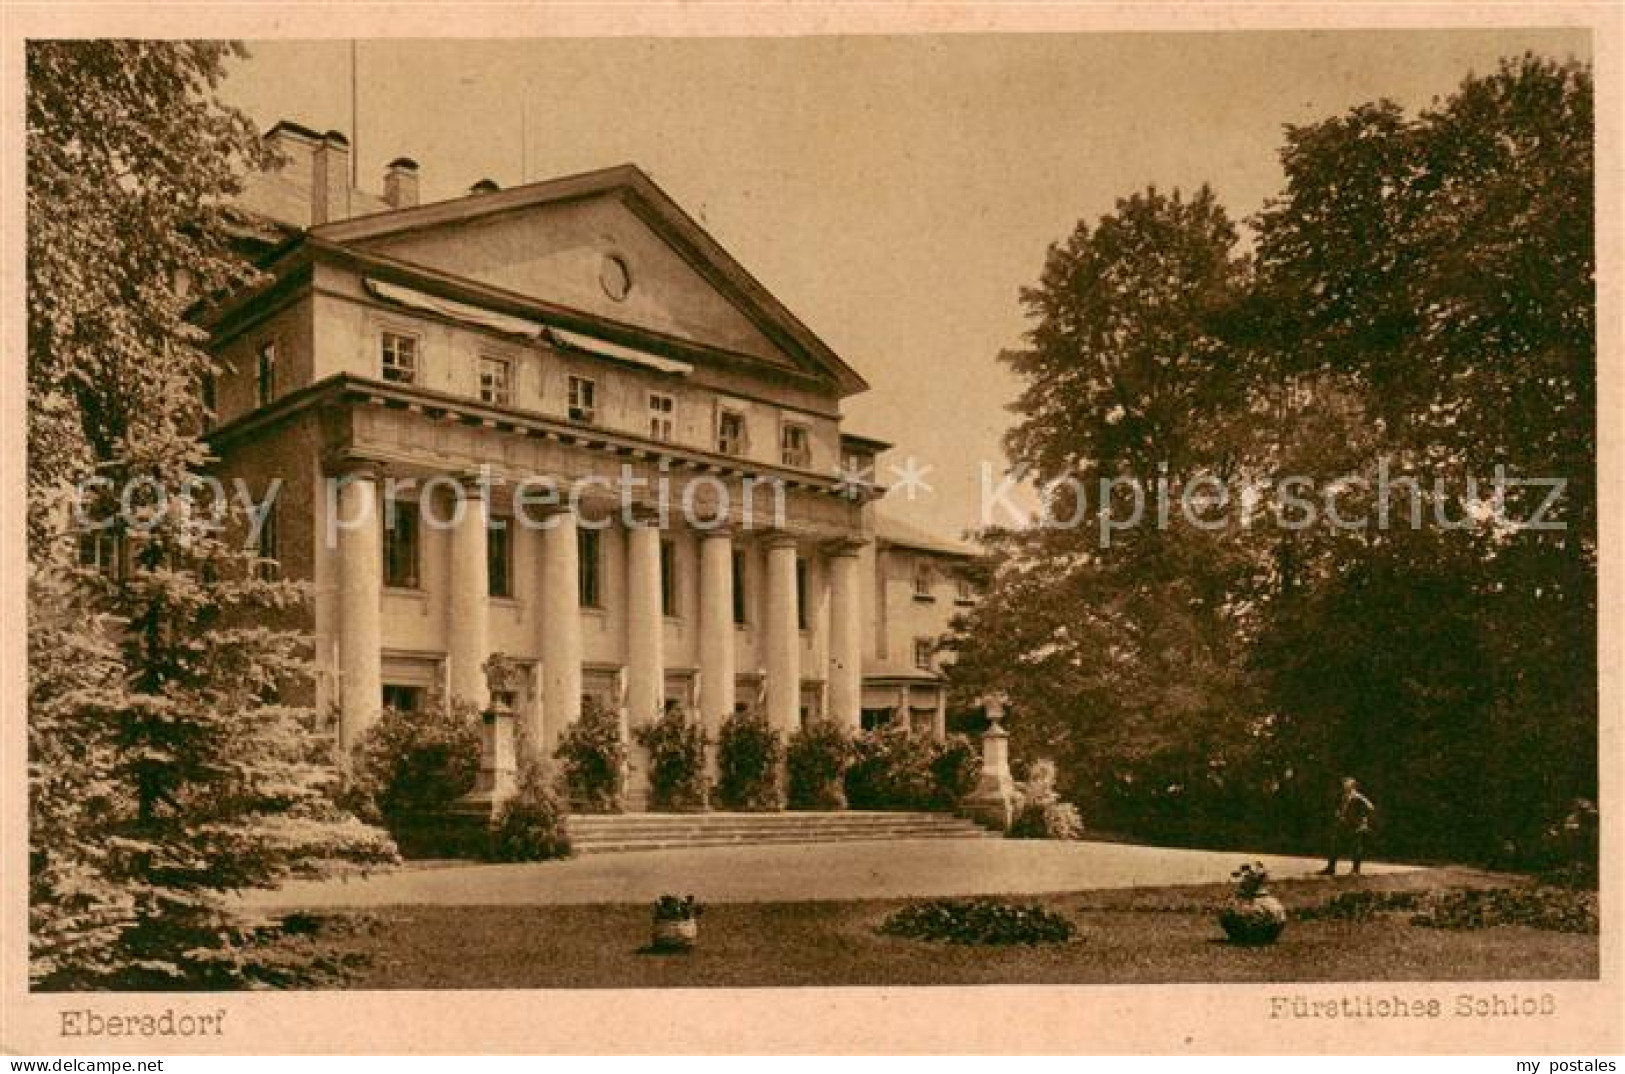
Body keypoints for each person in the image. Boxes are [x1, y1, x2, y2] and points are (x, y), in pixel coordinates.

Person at [1316, 776, 1376, 876]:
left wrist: (1363, 820)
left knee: (1356, 847)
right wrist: (1339, 813)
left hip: (1355, 826)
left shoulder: (1357, 796)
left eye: (1346, 783)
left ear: (1352, 785)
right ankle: (1331, 868)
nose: (1344, 785)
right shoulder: (1344, 796)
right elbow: (1342, 808)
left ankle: (1355, 870)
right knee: (1335, 845)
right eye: (1344, 783)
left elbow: (1370, 807)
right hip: (1344, 824)